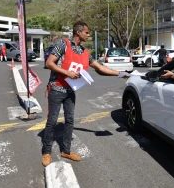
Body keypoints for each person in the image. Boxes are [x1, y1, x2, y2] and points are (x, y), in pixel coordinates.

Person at [42, 20, 128, 167]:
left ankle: (66, 151)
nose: (88, 35)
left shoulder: (84, 52)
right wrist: (67, 72)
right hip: (56, 88)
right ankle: (47, 151)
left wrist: (120, 74)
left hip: (70, 91)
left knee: (70, 121)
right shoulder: (63, 44)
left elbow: (100, 68)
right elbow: (49, 63)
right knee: (52, 121)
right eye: (86, 32)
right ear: (78, 32)